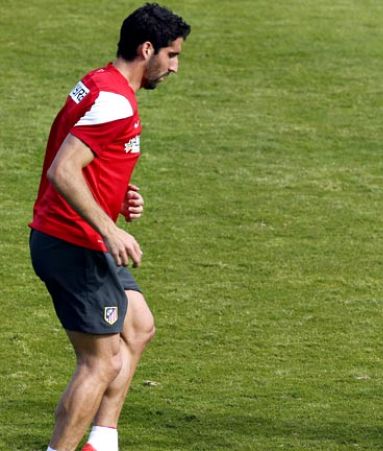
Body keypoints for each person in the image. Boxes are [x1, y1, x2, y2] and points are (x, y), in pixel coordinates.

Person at [28, 4, 190, 450]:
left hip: (81, 235)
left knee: (138, 327)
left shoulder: (99, 83)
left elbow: (83, 155)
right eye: (171, 55)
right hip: (73, 241)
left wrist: (117, 194)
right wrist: (111, 227)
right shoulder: (116, 102)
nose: (174, 67)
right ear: (147, 49)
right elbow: (63, 170)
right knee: (99, 363)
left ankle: (102, 440)